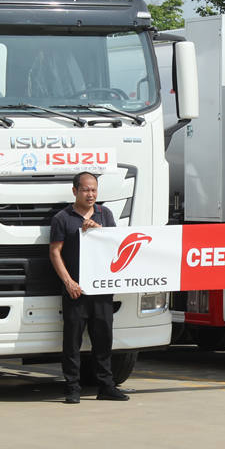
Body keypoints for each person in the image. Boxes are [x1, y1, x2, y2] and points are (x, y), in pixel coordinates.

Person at [49, 171, 129, 404]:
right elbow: (55, 252)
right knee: (72, 342)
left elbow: (116, 246)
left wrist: (98, 232)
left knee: (103, 340)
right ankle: (72, 388)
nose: (90, 194)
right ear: (75, 191)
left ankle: (106, 386)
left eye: (94, 189)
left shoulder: (105, 214)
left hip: (101, 290)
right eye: (85, 189)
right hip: (76, 290)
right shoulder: (62, 218)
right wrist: (68, 282)